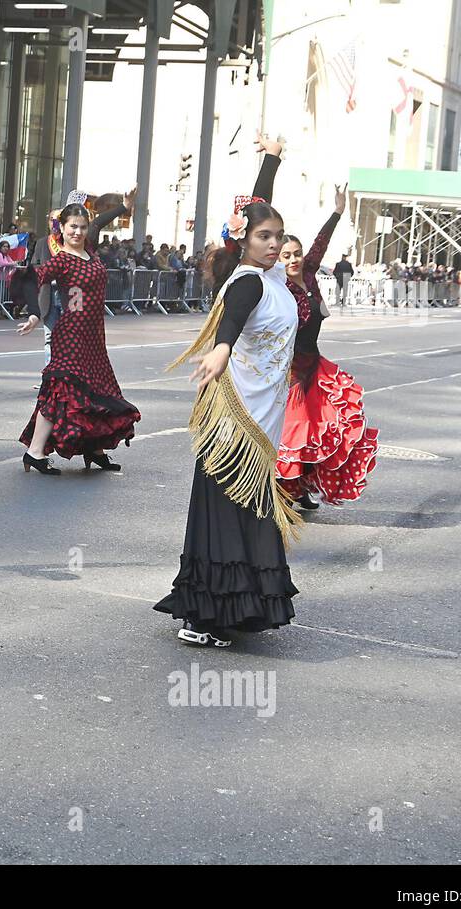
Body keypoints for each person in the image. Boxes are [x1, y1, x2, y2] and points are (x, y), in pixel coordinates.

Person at [155, 132, 300, 647]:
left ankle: (241, 609)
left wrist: (272, 161)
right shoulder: (248, 281)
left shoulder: (275, 275)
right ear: (245, 241)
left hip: (262, 421)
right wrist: (219, 349)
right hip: (234, 420)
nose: (274, 243)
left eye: (278, 235)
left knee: (250, 514)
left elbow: (259, 209)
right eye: (264, 237)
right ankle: (205, 615)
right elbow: (233, 318)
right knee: (224, 515)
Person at [11, 201, 140, 473]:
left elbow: (99, 221)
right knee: (61, 390)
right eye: (73, 227)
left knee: (94, 393)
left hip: (93, 338)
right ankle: (34, 452)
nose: (78, 232)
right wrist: (35, 314)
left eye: (82, 227)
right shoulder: (61, 259)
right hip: (70, 333)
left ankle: (94, 450)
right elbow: (32, 279)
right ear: (62, 227)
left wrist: (123, 206)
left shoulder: (90, 253)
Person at [276, 184, 379, 508]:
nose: (293, 259)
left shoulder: (308, 274)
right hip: (289, 370)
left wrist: (337, 211)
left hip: (314, 366)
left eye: (297, 253)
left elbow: (321, 243)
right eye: (286, 255)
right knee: (295, 432)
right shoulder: (274, 285)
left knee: (324, 430)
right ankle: (282, 489)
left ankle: (301, 487)